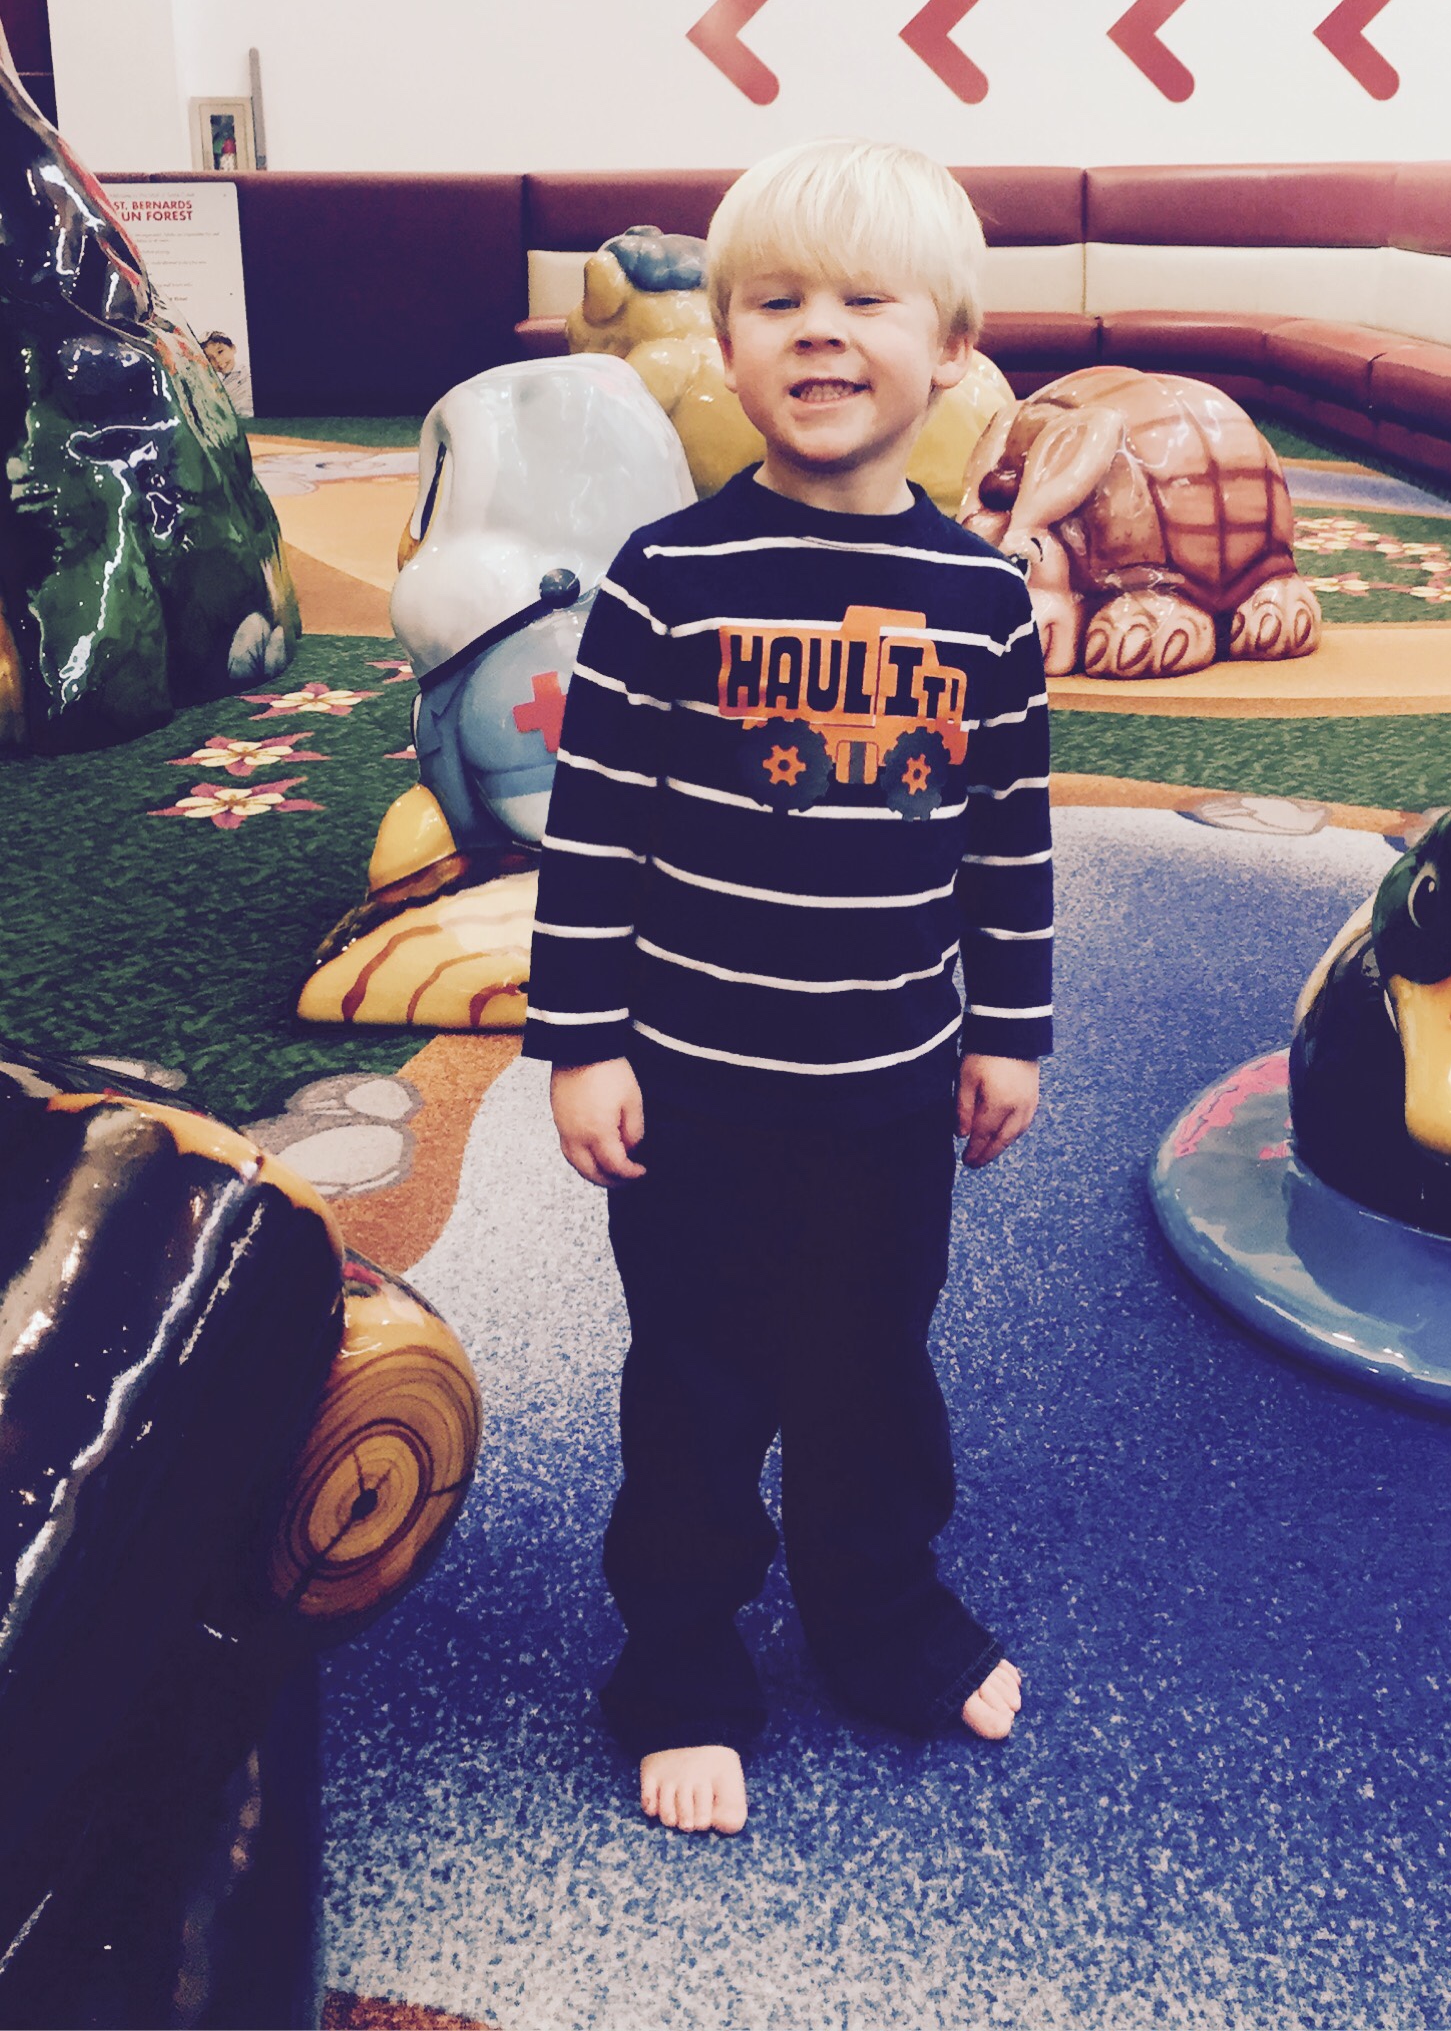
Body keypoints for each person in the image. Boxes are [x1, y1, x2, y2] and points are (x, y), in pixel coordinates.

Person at [521, 139, 1052, 1837]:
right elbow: (593, 835)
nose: (819, 330)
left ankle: (881, 1620)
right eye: (776, 302)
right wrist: (580, 1045)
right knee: (694, 1390)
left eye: (865, 299)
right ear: (725, 347)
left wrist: (1012, 1032)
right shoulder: (665, 581)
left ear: (951, 350)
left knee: (874, 1378)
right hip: (695, 1100)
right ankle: (680, 1670)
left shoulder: (984, 605)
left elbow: (1007, 843)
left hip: (890, 1097)